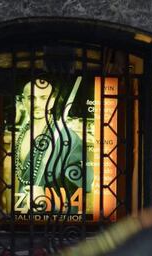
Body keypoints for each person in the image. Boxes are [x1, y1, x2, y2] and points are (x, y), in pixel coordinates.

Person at [14, 78, 93, 212]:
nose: (37, 104)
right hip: (25, 210)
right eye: (31, 98)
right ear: (24, 101)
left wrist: (45, 192)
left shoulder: (67, 137)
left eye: (43, 97)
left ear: (52, 101)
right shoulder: (21, 135)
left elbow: (85, 178)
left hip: (55, 216)